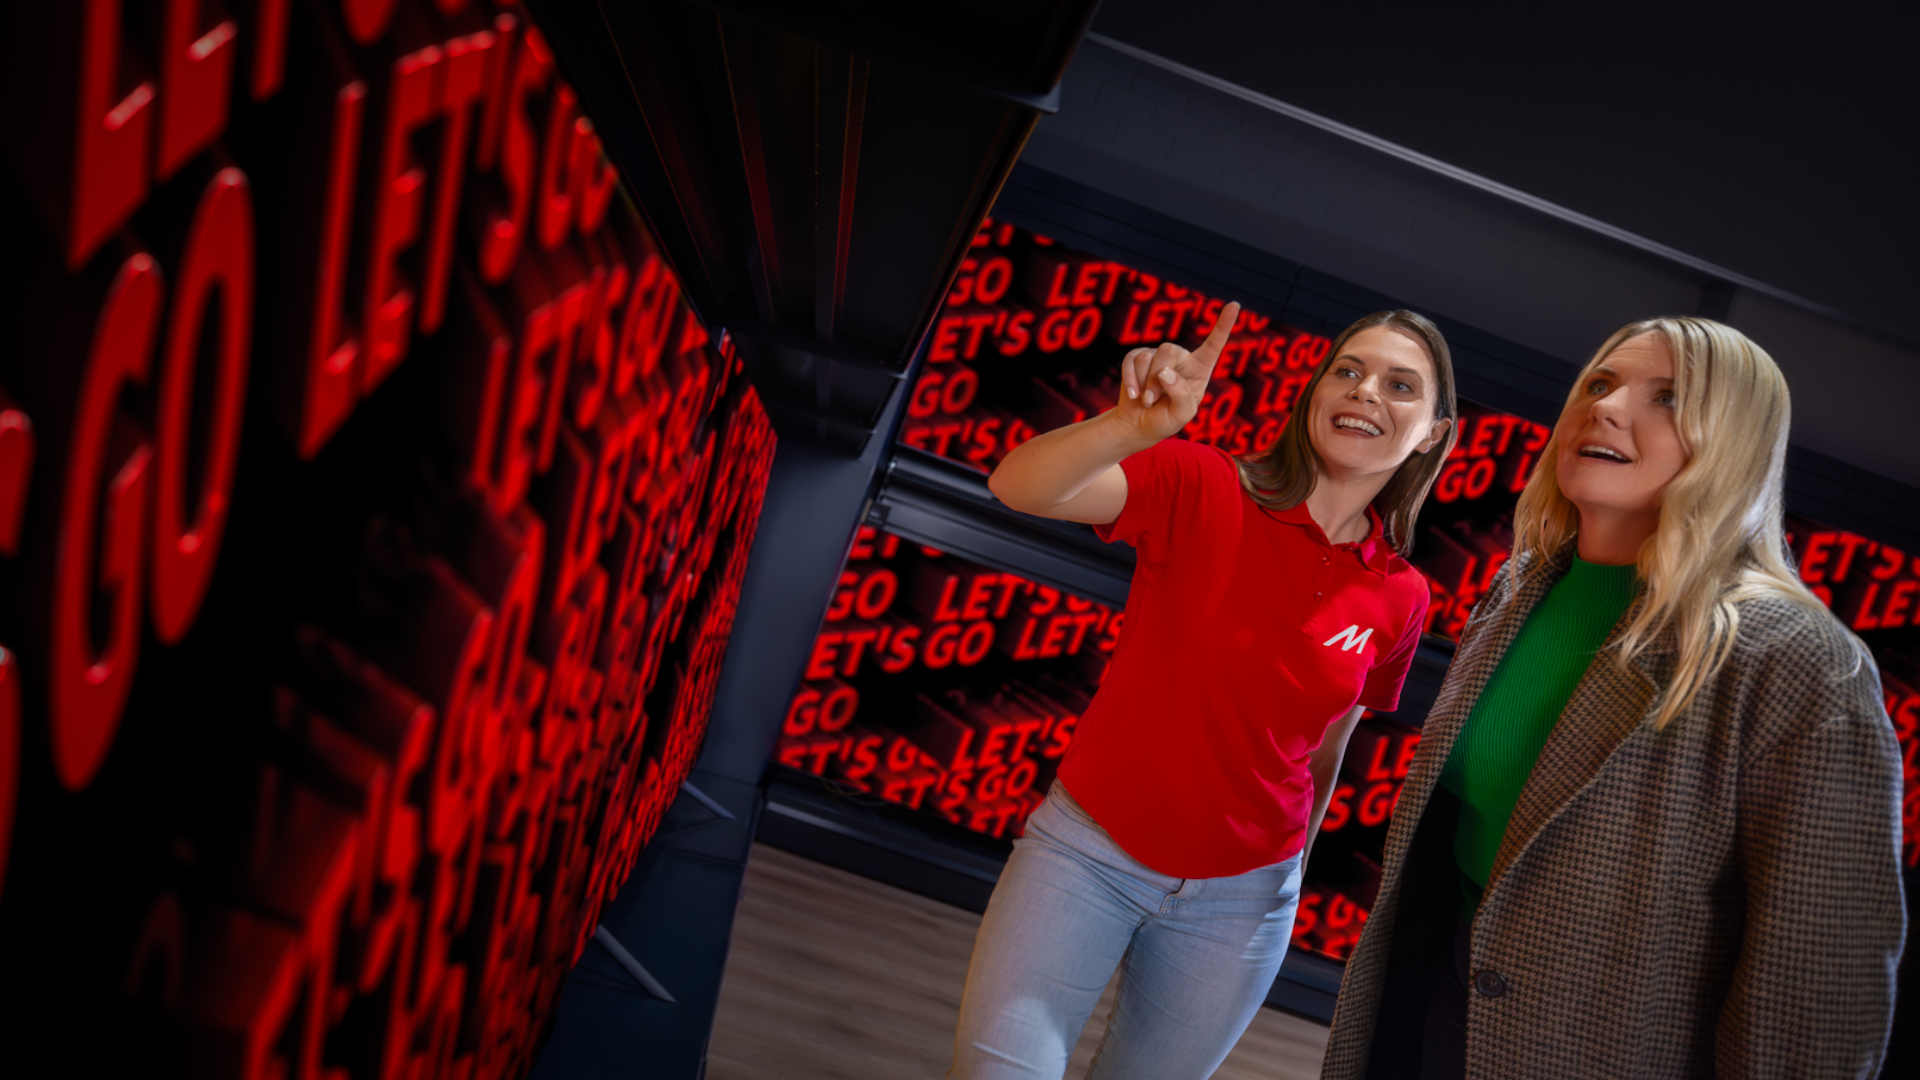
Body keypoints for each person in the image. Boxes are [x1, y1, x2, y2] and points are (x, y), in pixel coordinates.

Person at [1321, 317, 1906, 1079]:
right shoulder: (1520, 585)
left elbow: (1817, 980)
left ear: (1733, 445)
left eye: (1668, 398)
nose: (1606, 407)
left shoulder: (1802, 660)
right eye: (1599, 384)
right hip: (1428, 995)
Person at [949, 302, 1460, 1079]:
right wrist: (1128, 428)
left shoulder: (1403, 596)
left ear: (1432, 433)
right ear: (1316, 392)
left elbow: (1327, 751)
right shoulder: (1203, 482)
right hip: (1087, 855)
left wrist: (1285, 877)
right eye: (1349, 371)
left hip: (1242, 905)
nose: (1365, 392)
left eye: (1400, 385)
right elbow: (1017, 485)